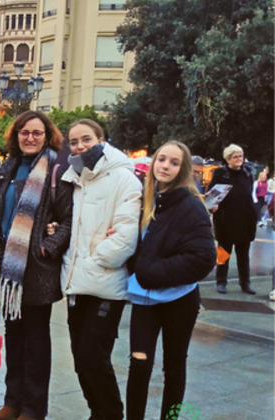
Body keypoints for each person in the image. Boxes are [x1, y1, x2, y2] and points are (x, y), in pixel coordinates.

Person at [0, 111, 72, 420]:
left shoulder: (56, 169)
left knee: (36, 342)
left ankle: (33, 408)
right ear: (16, 135)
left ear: (47, 135)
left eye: (36, 133)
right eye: (25, 132)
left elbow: (67, 220)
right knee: (14, 337)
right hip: (6, 268)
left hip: (36, 271)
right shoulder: (6, 168)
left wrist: (47, 247)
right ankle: (13, 401)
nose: (30, 137)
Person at [125, 141, 216, 420]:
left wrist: (150, 272)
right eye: (162, 159)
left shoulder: (191, 205)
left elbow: (203, 258)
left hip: (179, 300)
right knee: (139, 363)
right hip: (144, 300)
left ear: (182, 169)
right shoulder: (143, 199)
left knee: (174, 367)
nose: (165, 166)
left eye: (174, 162)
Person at [61, 119, 142, 420]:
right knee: (81, 361)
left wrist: (91, 263)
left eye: (86, 140)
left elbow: (125, 236)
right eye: (73, 141)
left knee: (94, 358)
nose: (80, 146)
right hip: (78, 285)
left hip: (105, 285)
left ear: (102, 139)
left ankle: (110, 414)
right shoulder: (76, 177)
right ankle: (98, 413)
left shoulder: (123, 178)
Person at [207, 144, 257, 295]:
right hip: (225, 220)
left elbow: (250, 196)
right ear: (228, 159)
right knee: (223, 254)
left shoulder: (248, 174)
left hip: (245, 219)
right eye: (235, 156)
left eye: (241, 156)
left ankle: (245, 283)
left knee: (243, 255)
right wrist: (212, 207)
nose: (239, 159)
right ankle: (221, 281)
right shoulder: (220, 174)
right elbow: (211, 196)